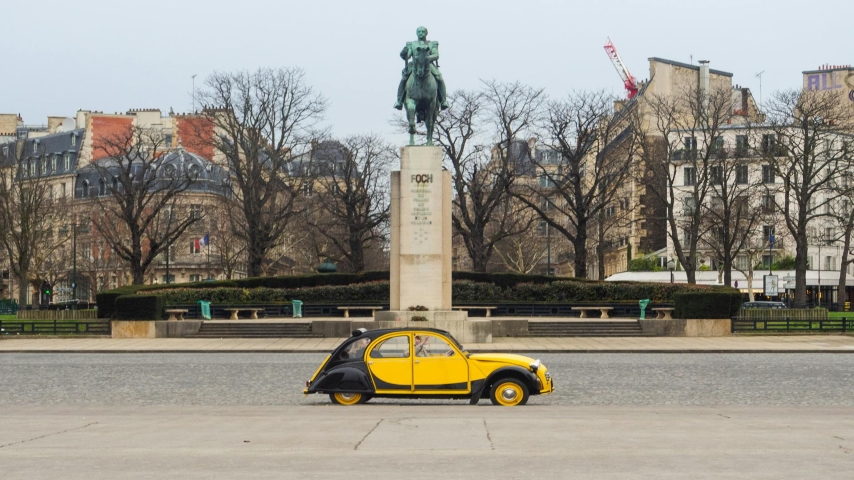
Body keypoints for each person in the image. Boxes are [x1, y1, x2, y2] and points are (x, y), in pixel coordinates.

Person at [393, 26, 449, 111]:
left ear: (426, 33)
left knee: (439, 77)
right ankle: (399, 100)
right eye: (419, 32)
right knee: (404, 78)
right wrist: (403, 53)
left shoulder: (432, 44)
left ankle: (443, 101)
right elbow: (407, 56)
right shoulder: (412, 44)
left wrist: (426, 58)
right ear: (416, 33)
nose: (421, 33)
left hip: (428, 64)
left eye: (423, 32)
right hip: (414, 65)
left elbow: (436, 55)